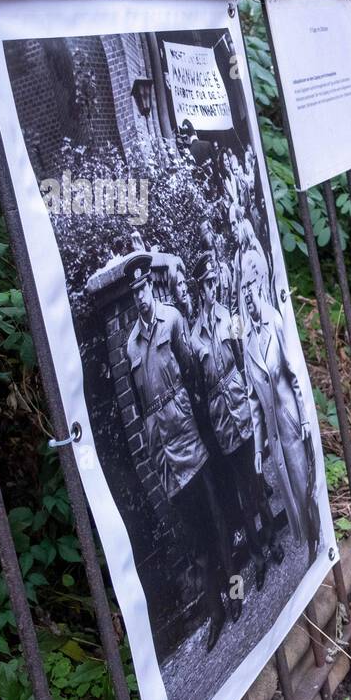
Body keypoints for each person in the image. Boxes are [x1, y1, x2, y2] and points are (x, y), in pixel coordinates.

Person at [123, 252, 236, 650]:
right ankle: (216, 606)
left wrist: (191, 414)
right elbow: (138, 402)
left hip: (187, 431)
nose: (140, 297)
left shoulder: (172, 320)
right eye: (133, 292)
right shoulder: (131, 346)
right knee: (193, 532)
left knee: (215, 515)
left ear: (152, 287)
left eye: (143, 288)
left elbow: (190, 370)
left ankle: (233, 589)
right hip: (165, 451)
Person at [190, 253, 282, 590]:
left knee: (257, 485)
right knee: (242, 500)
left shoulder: (229, 317)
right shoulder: (193, 336)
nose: (213, 287)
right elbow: (197, 386)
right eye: (208, 283)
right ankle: (257, 558)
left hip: (243, 413)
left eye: (215, 281)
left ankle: (273, 541)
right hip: (222, 425)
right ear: (200, 288)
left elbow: (246, 358)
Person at [240, 274, 320, 561]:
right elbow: (253, 401)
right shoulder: (247, 343)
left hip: (290, 420)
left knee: (304, 484)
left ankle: (317, 539)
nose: (250, 304)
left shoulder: (274, 322)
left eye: (252, 296)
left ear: (259, 291)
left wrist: (306, 418)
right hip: (274, 434)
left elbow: (295, 373)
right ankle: (309, 546)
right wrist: (258, 448)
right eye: (245, 300)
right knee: (289, 495)